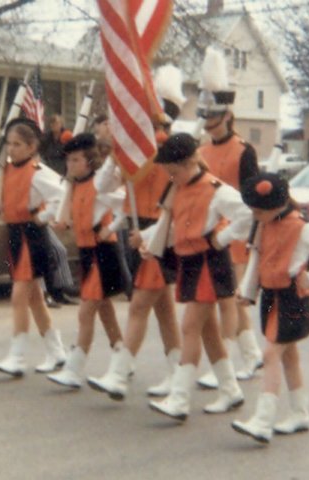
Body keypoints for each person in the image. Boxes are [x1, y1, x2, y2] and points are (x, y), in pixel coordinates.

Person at [86, 65, 185, 400]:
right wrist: (116, 160)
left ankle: (120, 371)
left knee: (141, 304)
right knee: (163, 308)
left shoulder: (175, 154)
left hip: (161, 233)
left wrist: (155, 233)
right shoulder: (133, 152)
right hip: (138, 229)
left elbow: (180, 205)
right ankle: (176, 372)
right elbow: (101, 188)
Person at [231, 172, 309, 443]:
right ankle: (299, 413)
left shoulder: (301, 227)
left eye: (258, 210)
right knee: (288, 355)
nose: (254, 215)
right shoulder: (264, 225)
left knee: (271, 354)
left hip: (292, 297)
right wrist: (247, 292)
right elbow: (257, 258)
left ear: (275, 207)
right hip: (272, 295)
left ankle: (263, 420)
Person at [148, 132, 252, 421]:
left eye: (174, 171)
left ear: (189, 162)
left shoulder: (216, 188)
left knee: (190, 327)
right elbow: (171, 227)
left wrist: (222, 238)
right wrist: (147, 241)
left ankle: (179, 399)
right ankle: (231, 390)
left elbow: (247, 216)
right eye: (168, 172)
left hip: (209, 261)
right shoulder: (178, 189)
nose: (171, 176)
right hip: (189, 262)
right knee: (206, 331)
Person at [195, 47, 263, 388]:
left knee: (229, 301)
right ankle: (249, 356)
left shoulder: (243, 151)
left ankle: (233, 360)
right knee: (226, 300)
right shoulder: (201, 151)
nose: (208, 122)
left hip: (236, 233)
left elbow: (251, 199)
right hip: (210, 234)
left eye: (213, 116)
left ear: (226, 115)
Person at [0, 117, 66, 377]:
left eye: (17, 144)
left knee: (20, 296)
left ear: (32, 147)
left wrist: (41, 217)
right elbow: (7, 206)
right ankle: (56, 352)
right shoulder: (7, 171)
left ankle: (17, 356)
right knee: (34, 298)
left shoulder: (37, 172)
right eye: (9, 143)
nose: (11, 148)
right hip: (15, 236)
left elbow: (62, 196)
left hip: (33, 237)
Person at [47, 133, 130, 388]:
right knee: (104, 308)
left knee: (86, 312)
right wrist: (64, 223)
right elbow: (76, 219)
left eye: (75, 160)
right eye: (68, 160)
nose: (70, 165)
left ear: (89, 161)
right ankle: (122, 355)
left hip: (102, 250)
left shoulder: (99, 184)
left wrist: (112, 226)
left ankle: (74, 368)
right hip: (86, 252)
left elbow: (129, 203)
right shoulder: (75, 186)